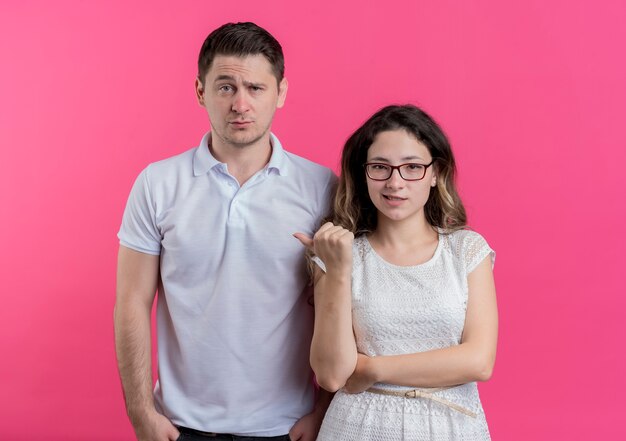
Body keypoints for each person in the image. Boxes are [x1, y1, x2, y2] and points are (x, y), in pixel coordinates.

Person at [114, 22, 336, 441]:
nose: (241, 104)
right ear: (200, 91)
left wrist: (323, 411)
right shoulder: (157, 183)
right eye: (226, 87)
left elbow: (341, 307)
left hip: (287, 428)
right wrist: (141, 411)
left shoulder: (321, 187)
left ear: (281, 93)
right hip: (179, 426)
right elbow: (131, 302)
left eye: (255, 88)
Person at [295, 104, 498, 440]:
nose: (395, 182)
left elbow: (479, 361)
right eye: (380, 167)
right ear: (363, 173)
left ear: (436, 173)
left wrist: (373, 369)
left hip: (451, 428)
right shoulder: (340, 254)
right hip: (356, 428)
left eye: (412, 167)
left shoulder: (466, 250)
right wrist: (339, 271)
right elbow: (332, 376)